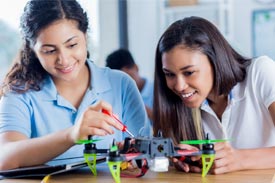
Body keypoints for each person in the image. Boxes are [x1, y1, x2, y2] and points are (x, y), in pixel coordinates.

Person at [0, 0, 151, 170]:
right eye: (50, 51)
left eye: (72, 45)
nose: (64, 60)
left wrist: (134, 156)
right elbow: (5, 158)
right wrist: (71, 135)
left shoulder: (121, 84)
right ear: (33, 49)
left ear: (85, 36)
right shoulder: (19, 92)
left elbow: (144, 154)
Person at [153, 16, 275, 175]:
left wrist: (239, 159)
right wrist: (186, 161)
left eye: (189, 72)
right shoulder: (180, 106)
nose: (179, 86)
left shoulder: (260, 72)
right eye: (169, 74)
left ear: (215, 61)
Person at [106, 49, 154, 121]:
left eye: (128, 77)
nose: (125, 84)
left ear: (136, 68)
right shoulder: (117, 98)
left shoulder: (159, 91)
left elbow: (172, 123)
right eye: (119, 82)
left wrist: (148, 112)